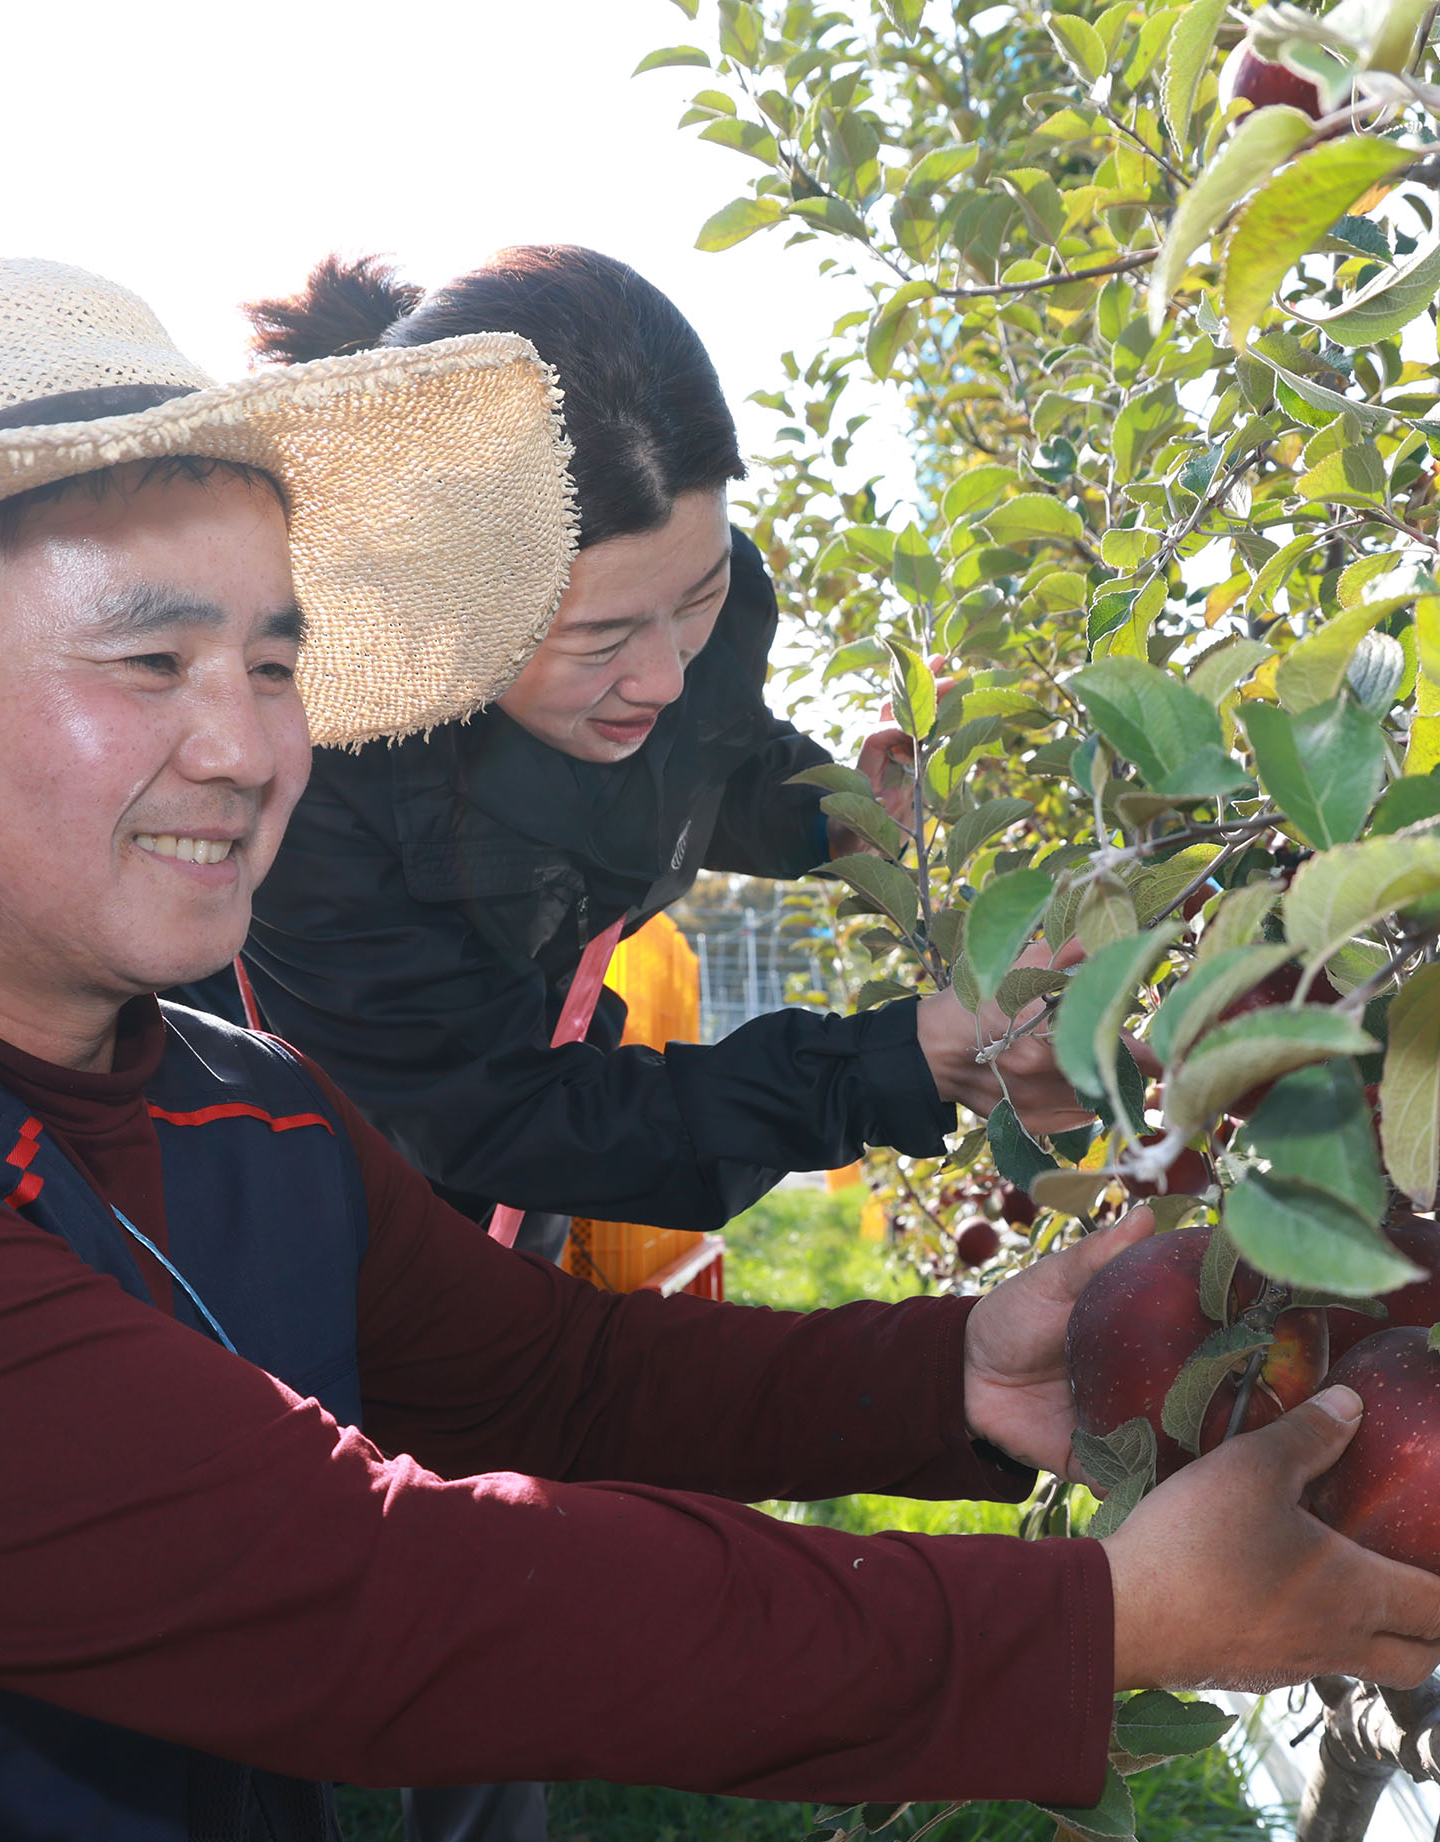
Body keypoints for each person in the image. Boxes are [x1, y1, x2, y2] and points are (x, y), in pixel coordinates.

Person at [0, 259, 1440, 1842]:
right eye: (148, 661)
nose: (245, 749)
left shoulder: (244, 1113)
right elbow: (372, 1598)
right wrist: (1093, 1626)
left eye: (272, 663)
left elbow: (556, 1382)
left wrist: (960, 1373)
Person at [182, 247, 1083, 1259]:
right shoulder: (317, 783)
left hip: (537, 1146)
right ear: (450, 612)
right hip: (332, 1192)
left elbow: (709, 755)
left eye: (698, 597)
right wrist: (897, 1061)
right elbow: (497, 1113)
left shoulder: (704, 616)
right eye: (599, 637)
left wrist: (828, 814)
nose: (663, 677)